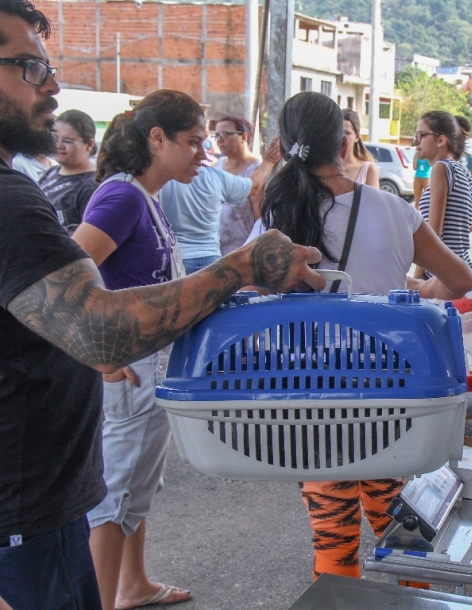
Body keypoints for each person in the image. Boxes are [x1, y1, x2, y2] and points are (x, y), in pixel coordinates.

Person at [0, 4, 325, 607]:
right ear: (156, 139)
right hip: (25, 512)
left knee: (130, 493)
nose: (52, 84)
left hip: (39, 499)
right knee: (118, 499)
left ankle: (131, 583)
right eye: (28, 67)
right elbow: (92, 321)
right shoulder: (35, 198)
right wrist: (241, 267)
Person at [248, 91, 472, 580]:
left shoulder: (276, 216)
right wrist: (413, 288)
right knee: (399, 523)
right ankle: (414, 594)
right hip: (389, 392)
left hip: (310, 396)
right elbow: (461, 281)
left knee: (333, 533)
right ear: (345, 140)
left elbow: (242, 286)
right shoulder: (392, 209)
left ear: (285, 144)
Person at [160, 135, 281, 273]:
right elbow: (253, 185)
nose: (203, 154)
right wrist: (269, 162)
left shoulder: (159, 181)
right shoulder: (214, 176)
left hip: (181, 260)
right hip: (209, 261)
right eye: (194, 143)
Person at [412, 110, 472, 279]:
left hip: (439, 273)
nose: (416, 142)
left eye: (421, 135)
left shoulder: (441, 168)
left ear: (440, 140)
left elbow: (433, 234)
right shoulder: (463, 171)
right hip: (460, 266)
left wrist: (416, 280)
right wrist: (457, 238)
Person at [212, 114, 266, 255]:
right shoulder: (216, 166)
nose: (220, 140)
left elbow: (259, 217)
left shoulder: (257, 171)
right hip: (213, 251)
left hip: (241, 252)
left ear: (244, 137)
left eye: (226, 134)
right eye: (217, 135)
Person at [38, 108, 98, 233]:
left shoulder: (92, 186)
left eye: (68, 141)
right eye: (55, 138)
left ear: (89, 145)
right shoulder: (51, 172)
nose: (59, 145)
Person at [340, 108, 379, 189]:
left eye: (347, 133)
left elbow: (373, 200)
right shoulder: (328, 168)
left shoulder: (368, 169)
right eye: (339, 132)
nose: (342, 137)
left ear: (357, 137)